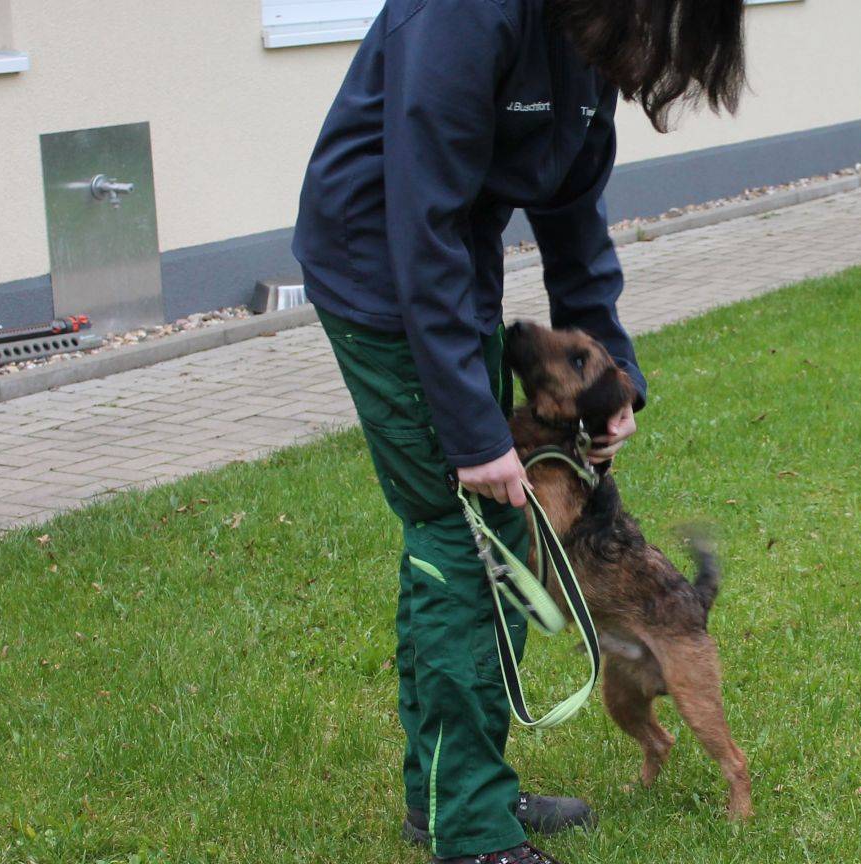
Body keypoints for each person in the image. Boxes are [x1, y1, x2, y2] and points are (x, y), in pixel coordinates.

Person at [291, 0, 745, 860]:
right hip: (382, 271)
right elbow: (420, 221)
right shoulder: (465, 14)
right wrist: (473, 433)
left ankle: (455, 792)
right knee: (464, 538)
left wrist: (614, 386)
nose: (655, 52)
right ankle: (469, 828)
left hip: (453, 264)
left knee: (475, 536)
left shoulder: (588, 28)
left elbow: (574, 217)